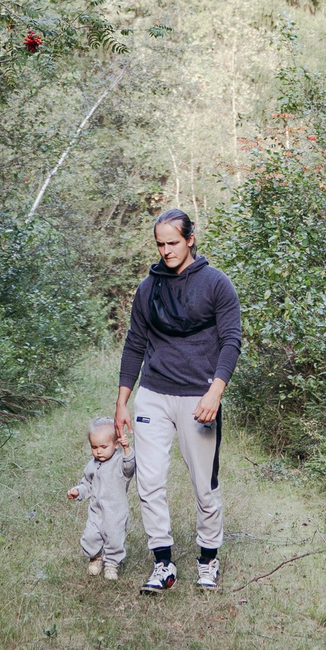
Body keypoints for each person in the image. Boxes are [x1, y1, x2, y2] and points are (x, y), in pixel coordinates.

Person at [114, 207, 240, 594]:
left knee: (204, 484)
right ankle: (163, 563)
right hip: (154, 394)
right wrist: (122, 402)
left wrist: (215, 392)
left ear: (189, 239)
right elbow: (135, 343)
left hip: (198, 397)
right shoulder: (148, 288)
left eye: (173, 242)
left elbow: (231, 341)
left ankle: (208, 559)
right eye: (160, 244)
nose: (166, 250)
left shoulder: (217, 284)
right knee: (149, 483)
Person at [66, 416, 135, 581]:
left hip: (115, 511)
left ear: (116, 444)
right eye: (94, 447)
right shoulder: (92, 464)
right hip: (96, 510)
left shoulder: (119, 462)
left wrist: (127, 450)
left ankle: (112, 564)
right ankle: (95, 558)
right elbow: (87, 484)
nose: (99, 451)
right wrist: (78, 491)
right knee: (91, 535)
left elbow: (129, 468)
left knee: (114, 537)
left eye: (104, 447)